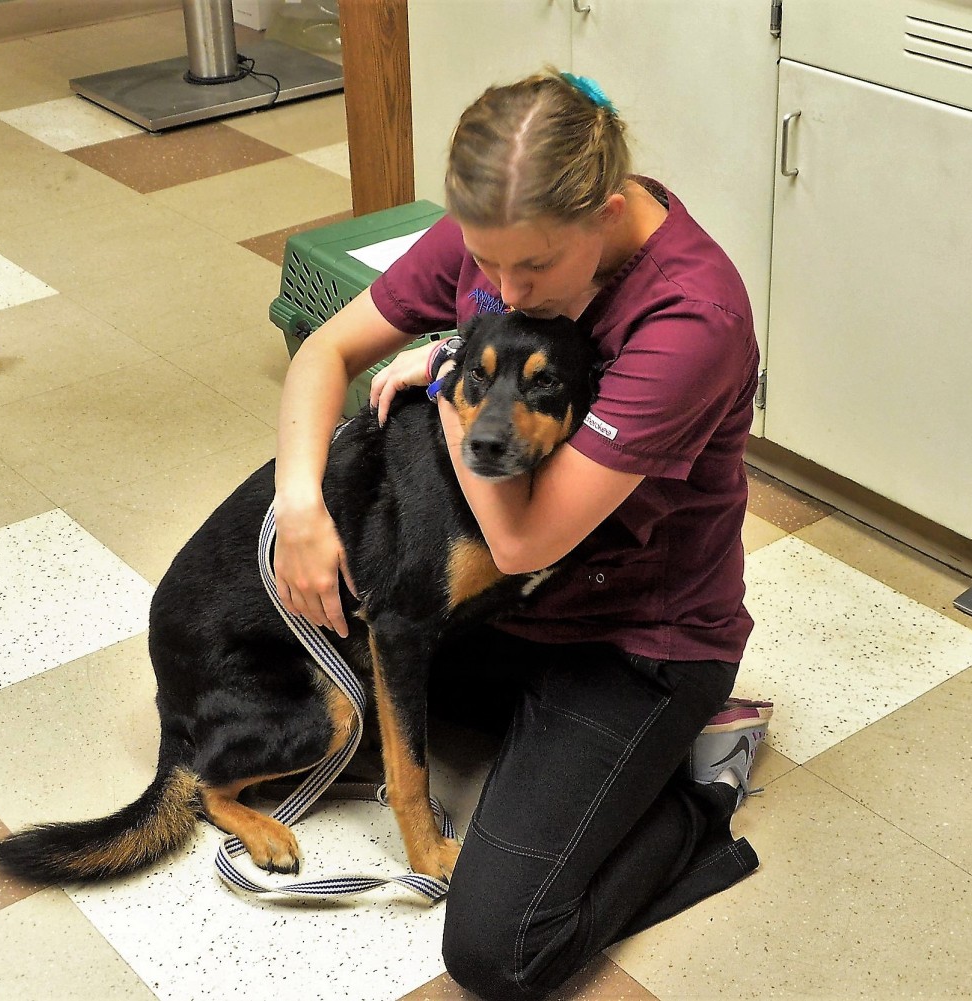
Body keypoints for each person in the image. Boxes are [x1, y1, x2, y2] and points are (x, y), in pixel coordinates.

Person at [272, 69, 769, 1001]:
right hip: (505, 619)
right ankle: (577, 769)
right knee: (337, 638)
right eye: (485, 265)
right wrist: (299, 507)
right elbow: (324, 350)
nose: (502, 289)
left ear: (606, 213)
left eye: (531, 270)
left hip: (635, 639)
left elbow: (525, 541)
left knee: (498, 950)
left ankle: (693, 794)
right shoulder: (504, 231)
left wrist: (457, 375)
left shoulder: (690, 317)